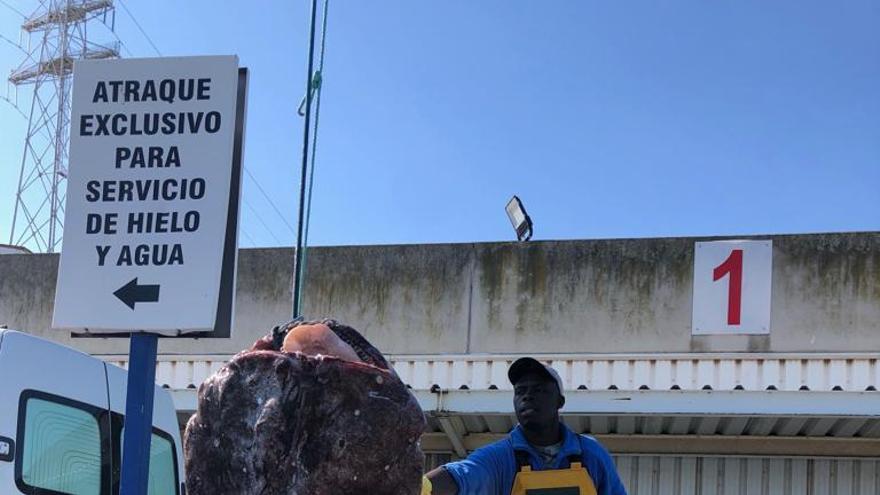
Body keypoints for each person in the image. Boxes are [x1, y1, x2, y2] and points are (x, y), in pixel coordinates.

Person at [423, 357, 627, 495]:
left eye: (539, 389)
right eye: (520, 391)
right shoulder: (499, 459)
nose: (527, 396)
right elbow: (459, 476)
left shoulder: (591, 455)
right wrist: (416, 487)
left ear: (560, 401)